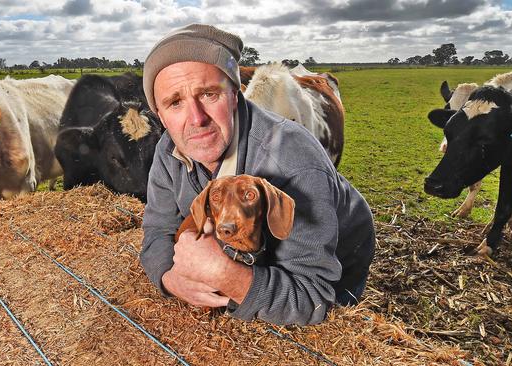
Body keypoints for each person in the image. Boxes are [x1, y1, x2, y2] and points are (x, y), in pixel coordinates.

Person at [140, 23, 375, 325]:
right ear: (160, 114)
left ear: (235, 95)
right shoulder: (169, 147)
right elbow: (157, 230)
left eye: (209, 94)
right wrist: (171, 279)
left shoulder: (294, 161)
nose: (196, 119)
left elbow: (314, 298)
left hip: (337, 261)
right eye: (175, 103)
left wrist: (225, 276)